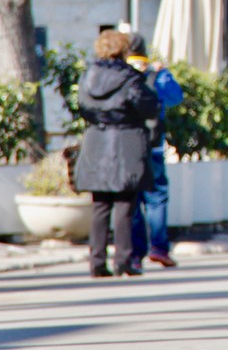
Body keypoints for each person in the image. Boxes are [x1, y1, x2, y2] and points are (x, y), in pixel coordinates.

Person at [75, 30, 159, 278]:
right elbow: (149, 107)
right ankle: (124, 259)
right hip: (126, 141)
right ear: (124, 50)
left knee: (100, 205)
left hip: (96, 140)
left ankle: (97, 261)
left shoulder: (88, 76)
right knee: (125, 205)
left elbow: (83, 106)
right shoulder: (129, 77)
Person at [127, 33, 184, 270]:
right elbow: (176, 98)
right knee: (156, 197)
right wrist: (164, 72)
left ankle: (135, 253)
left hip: (127, 146)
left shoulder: (119, 74)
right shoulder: (156, 73)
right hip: (154, 145)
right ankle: (159, 247)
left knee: (132, 199)